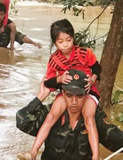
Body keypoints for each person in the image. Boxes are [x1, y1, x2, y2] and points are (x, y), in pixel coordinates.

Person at [30, 19, 101, 160]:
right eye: (60, 41)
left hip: (87, 91)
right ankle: (33, 151)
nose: (66, 44)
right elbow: (49, 82)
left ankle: (95, 156)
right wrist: (60, 79)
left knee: (89, 119)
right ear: (54, 43)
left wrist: (92, 79)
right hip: (67, 93)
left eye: (69, 39)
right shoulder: (54, 59)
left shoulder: (85, 53)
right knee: (51, 117)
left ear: (73, 38)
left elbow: (97, 67)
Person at [16, 69, 123, 160]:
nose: (74, 102)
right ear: (63, 93)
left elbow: (119, 142)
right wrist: (41, 95)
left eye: (79, 96)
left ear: (87, 95)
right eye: (69, 95)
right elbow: (22, 121)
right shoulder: (51, 112)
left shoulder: (95, 118)